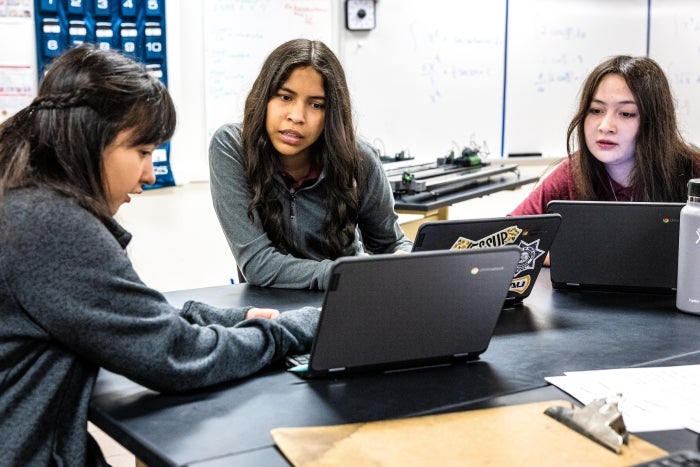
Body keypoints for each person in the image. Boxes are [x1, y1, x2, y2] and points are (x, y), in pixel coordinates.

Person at [0, 44, 319, 466]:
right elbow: (174, 356)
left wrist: (232, 319)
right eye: (143, 152)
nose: (149, 174)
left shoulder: (23, 203)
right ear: (90, 141)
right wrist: (298, 328)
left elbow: (125, 312)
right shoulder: (50, 224)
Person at [209, 38, 412, 291]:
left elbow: (390, 244)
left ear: (331, 115)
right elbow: (258, 264)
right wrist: (346, 273)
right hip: (272, 314)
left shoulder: (360, 159)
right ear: (264, 98)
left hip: (347, 301)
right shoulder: (231, 147)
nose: (297, 116)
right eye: (285, 97)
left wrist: (406, 258)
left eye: (316, 105)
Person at [511, 55, 700, 216]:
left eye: (626, 113)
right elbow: (508, 237)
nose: (605, 126)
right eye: (595, 110)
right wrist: (558, 254)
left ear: (655, 122)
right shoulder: (572, 173)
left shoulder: (693, 170)